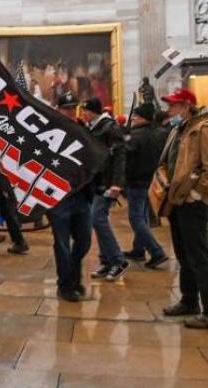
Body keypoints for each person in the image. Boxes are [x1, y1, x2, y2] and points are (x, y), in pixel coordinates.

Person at [158, 88, 208, 329]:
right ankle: (189, 301)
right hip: (177, 199)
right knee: (184, 255)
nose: (170, 110)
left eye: (174, 105)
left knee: (199, 256)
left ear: (186, 106)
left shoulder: (203, 130)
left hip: (193, 202)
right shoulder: (180, 129)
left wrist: (197, 192)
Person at [49, 92, 94, 302]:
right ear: (58, 109)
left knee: (84, 241)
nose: (69, 111)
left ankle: (74, 275)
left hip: (82, 194)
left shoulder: (83, 129)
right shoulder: (48, 131)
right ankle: (65, 284)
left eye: (72, 108)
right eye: (66, 108)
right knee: (62, 244)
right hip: (58, 196)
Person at [79, 97, 129, 281]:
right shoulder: (93, 127)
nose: (83, 113)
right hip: (96, 182)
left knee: (97, 218)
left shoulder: (110, 127)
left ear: (93, 111)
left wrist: (117, 183)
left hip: (107, 182)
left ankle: (118, 260)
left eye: (85, 110)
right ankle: (106, 261)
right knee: (97, 220)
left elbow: (119, 156)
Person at [123, 104, 169, 268]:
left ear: (143, 118)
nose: (133, 118)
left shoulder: (135, 135)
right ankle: (138, 250)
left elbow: (126, 157)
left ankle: (157, 252)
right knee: (142, 216)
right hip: (150, 180)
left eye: (135, 116)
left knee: (136, 218)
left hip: (136, 181)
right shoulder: (156, 133)